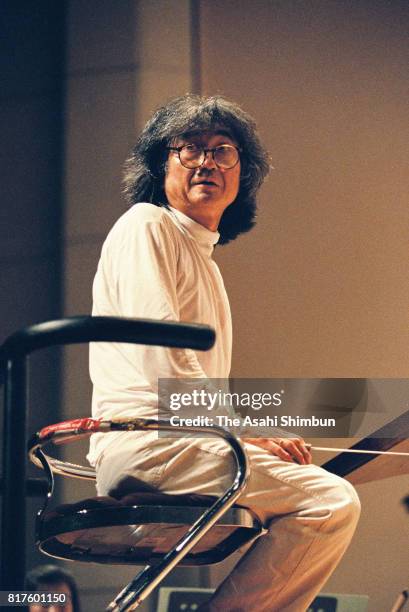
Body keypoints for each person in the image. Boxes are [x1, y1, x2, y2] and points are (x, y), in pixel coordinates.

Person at [88, 94, 360, 611]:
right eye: (189, 149)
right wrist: (244, 432)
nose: (207, 162)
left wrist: (250, 435)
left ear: (243, 174)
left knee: (320, 497)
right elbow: (163, 351)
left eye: (223, 150)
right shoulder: (147, 224)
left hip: (181, 444)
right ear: (159, 164)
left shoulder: (203, 259)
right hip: (151, 445)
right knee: (329, 501)